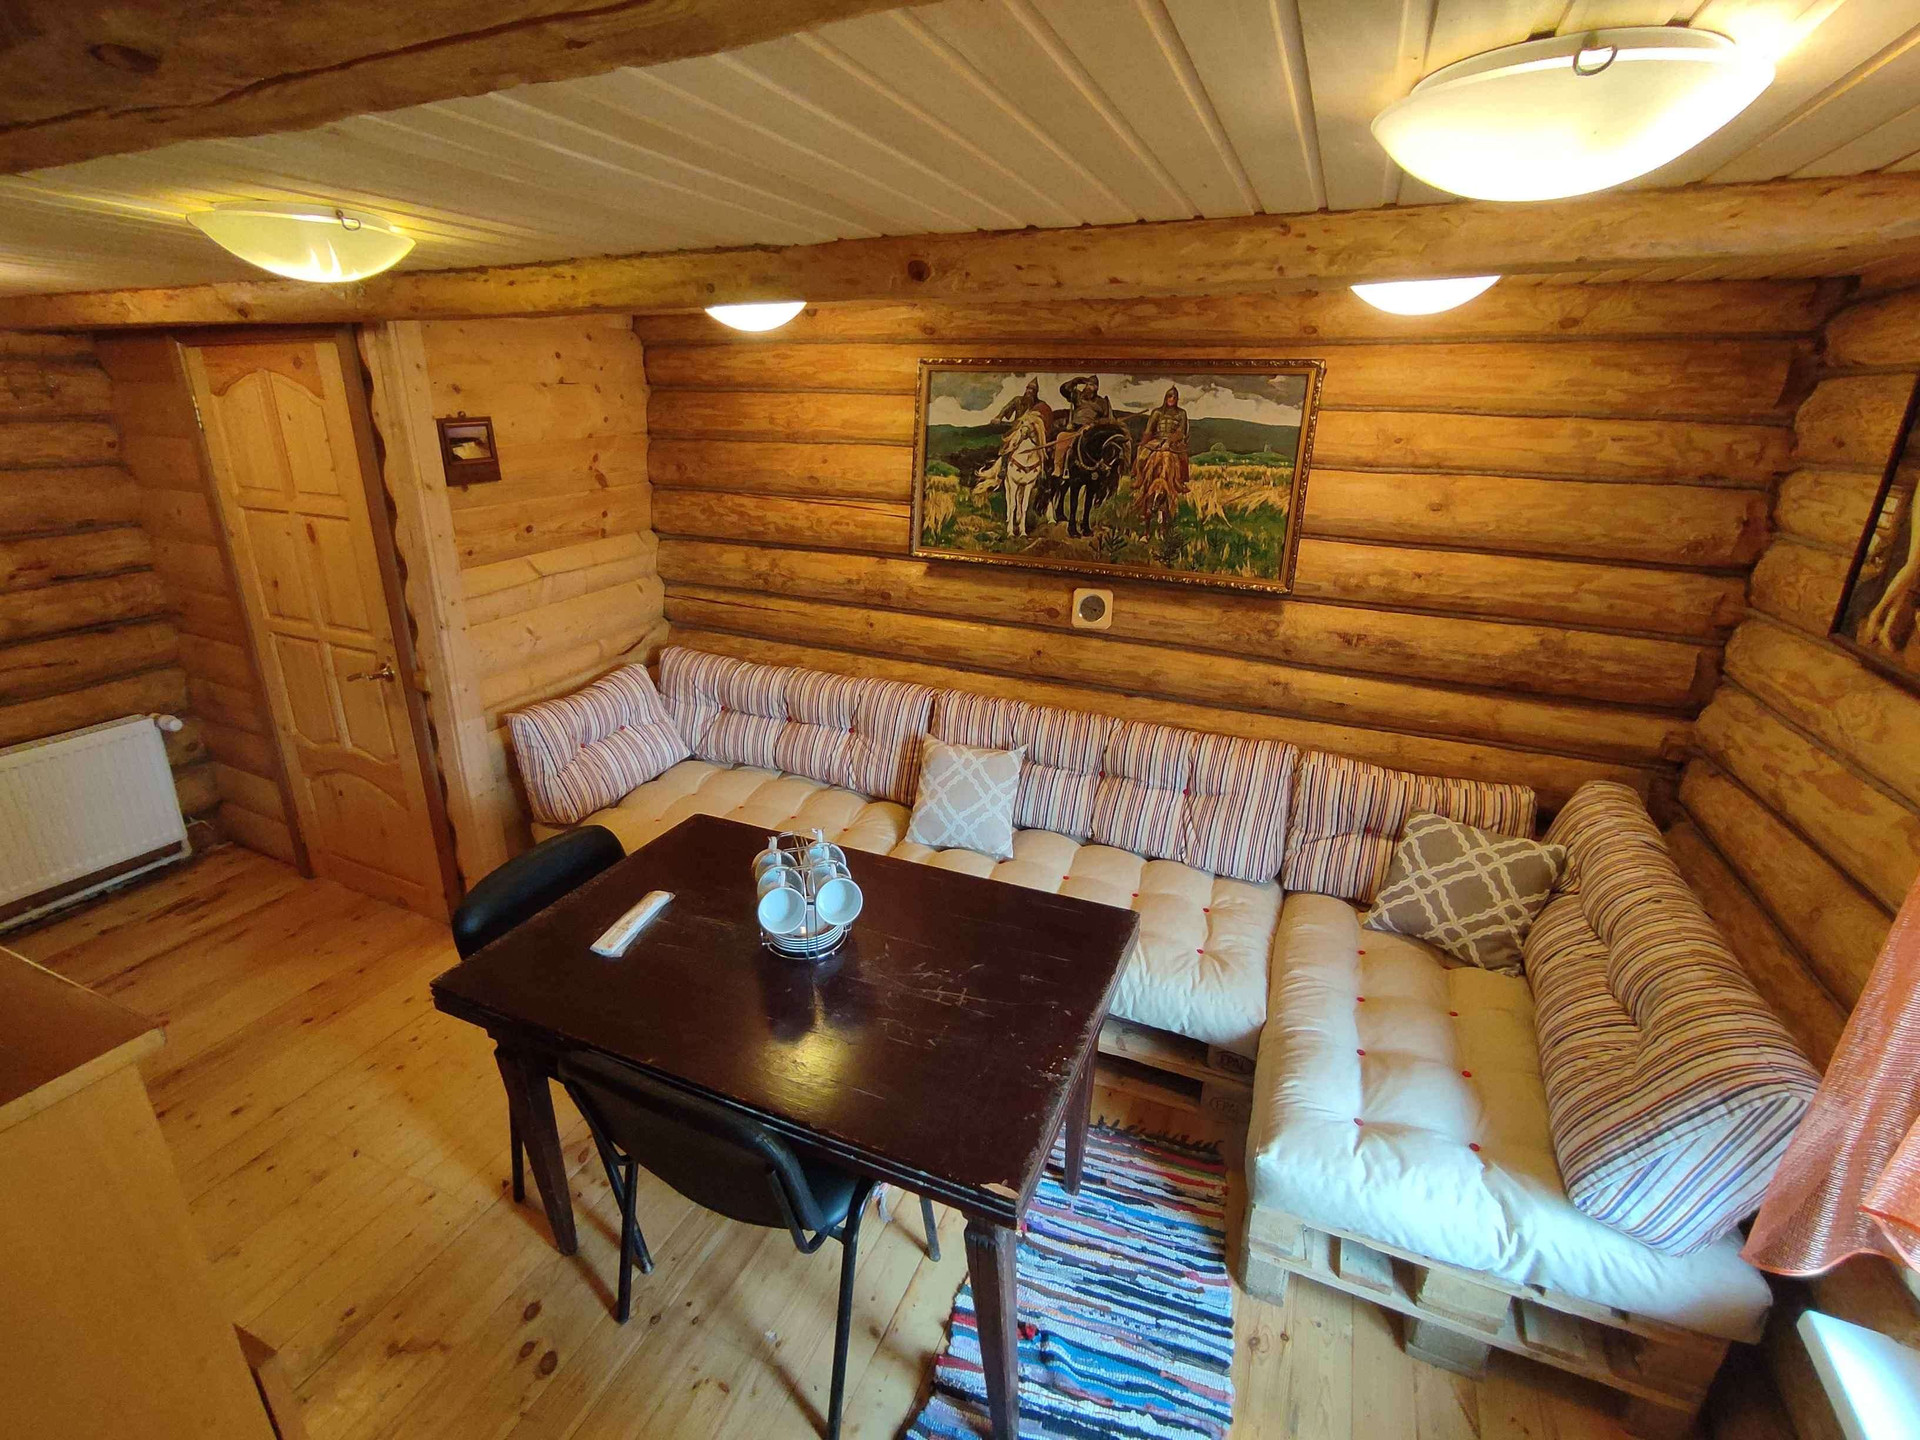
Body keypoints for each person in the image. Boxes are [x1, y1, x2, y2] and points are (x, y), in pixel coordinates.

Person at [1134, 385, 1190, 533]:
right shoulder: (1157, 412)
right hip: (1156, 440)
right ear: (1166, 398)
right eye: (1170, 396)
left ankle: (1181, 482)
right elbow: (1149, 429)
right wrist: (1144, 442)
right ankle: (1139, 478)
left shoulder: (1181, 413)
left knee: (1183, 458)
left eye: (1174, 397)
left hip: (1174, 443)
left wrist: (1170, 442)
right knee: (1142, 455)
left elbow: (1181, 431)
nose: (1172, 399)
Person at [1050, 374, 1112, 477]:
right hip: (1076, 428)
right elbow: (1063, 390)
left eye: (1091, 385)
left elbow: (1107, 419)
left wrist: (1094, 424)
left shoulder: (1102, 402)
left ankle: (1104, 465)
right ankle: (1058, 468)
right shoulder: (1078, 396)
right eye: (1086, 384)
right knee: (1061, 437)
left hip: (1093, 430)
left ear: (1096, 387)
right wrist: (1075, 381)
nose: (1088, 387)